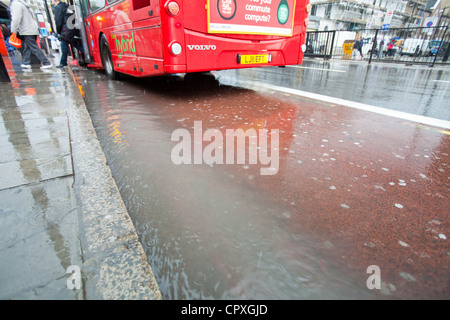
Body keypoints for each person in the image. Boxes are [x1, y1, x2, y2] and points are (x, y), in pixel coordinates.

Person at [10, 0, 52, 69]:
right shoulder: (24, 4)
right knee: (28, 47)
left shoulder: (15, 4)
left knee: (33, 47)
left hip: (26, 30)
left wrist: (13, 30)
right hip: (31, 29)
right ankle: (26, 63)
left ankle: (46, 62)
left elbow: (16, 18)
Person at [52, 0, 84, 68]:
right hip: (72, 29)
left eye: (52, 1)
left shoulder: (59, 8)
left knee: (64, 46)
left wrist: (59, 32)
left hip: (66, 30)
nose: (52, 3)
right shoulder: (67, 6)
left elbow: (58, 21)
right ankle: (86, 53)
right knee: (75, 44)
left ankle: (63, 62)